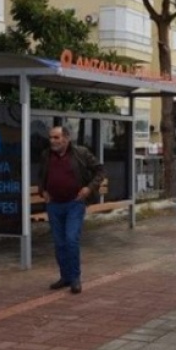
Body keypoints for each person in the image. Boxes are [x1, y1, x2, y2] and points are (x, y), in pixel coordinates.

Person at [37, 125, 105, 295]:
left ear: (66, 139)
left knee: (71, 240)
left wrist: (89, 189)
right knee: (59, 243)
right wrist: (42, 190)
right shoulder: (46, 155)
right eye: (51, 138)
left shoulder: (80, 153)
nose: (52, 141)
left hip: (74, 203)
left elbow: (99, 170)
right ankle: (65, 277)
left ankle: (75, 278)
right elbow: (41, 175)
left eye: (56, 138)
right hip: (54, 205)